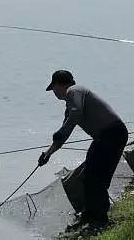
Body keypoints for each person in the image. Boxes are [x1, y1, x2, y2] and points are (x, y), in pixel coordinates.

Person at [38, 70, 128, 231]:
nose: (54, 93)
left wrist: (61, 130)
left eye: (53, 89)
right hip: (104, 138)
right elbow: (64, 134)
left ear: (59, 84)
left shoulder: (75, 91)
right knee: (89, 176)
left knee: (96, 178)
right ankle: (90, 215)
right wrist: (48, 154)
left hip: (112, 134)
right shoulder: (71, 104)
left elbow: (76, 113)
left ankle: (99, 220)